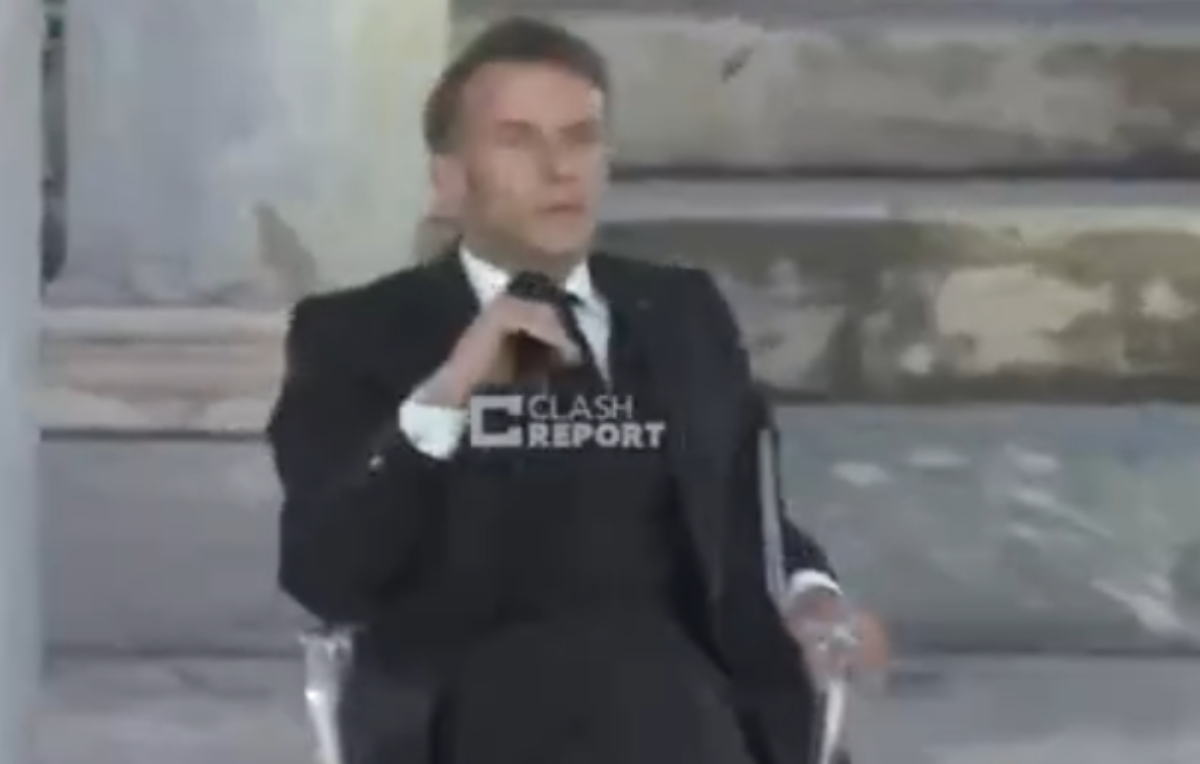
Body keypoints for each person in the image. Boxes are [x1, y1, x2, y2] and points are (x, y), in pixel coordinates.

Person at [268, 16, 887, 764]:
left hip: (689, 698)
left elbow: (742, 508)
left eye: (581, 138)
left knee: (651, 683)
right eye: (518, 141)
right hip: (472, 703)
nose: (558, 168)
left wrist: (811, 592)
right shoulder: (360, 332)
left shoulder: (680, 311)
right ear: (450, 178)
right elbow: (325, 572)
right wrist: (451, 390)